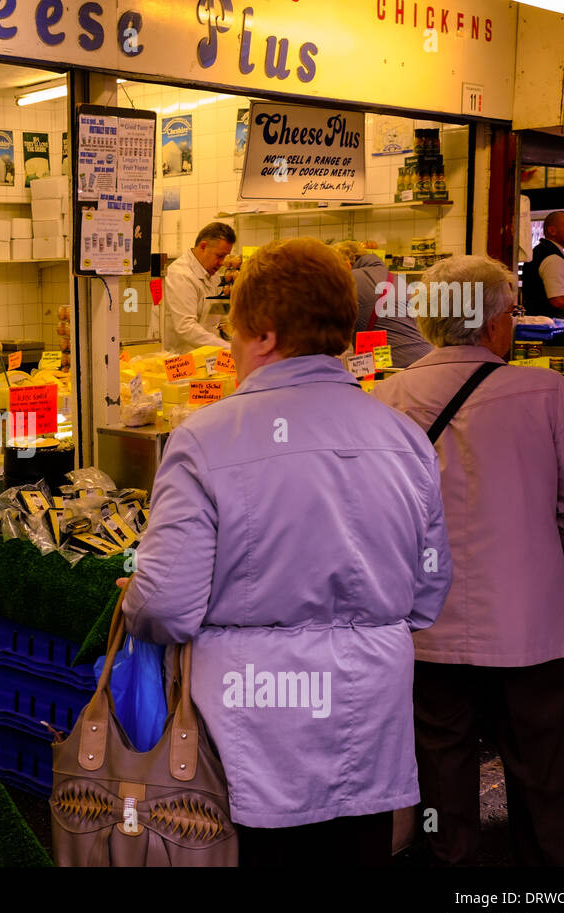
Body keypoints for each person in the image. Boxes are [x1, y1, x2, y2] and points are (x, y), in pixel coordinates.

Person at [123, 237, 452, 866]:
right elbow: (429, 590)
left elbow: (165, 606)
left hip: (252, 726)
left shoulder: (205, 438)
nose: (233, 351)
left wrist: (138, 597)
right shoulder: (403, 435)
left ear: (265, 336)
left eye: (234, 334)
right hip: (371, 711)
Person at [375, 254, 564, 866]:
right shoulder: (547, 390)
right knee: (543, 765)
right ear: (494, 323)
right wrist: (544, 546)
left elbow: (374, 518)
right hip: (529, 623)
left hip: (426, 629)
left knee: (441, 766)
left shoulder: (386, 397)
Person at [334, 239, 431, 368]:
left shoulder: (351, 280)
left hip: (393, 363)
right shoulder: (396, 279)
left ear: (346, 265)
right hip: (424, 356)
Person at [163, 222, 235, 352]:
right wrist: (228, 348)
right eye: (219, 256)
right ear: (203, 246)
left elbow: (215, 313)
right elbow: (186, 327)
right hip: (179, 358)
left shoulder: (212, 275)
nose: (222, 262)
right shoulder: (181, 275)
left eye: (225, 257)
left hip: (204, 358)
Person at [521, 211, 564, 318]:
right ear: (552, 230)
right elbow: (559, 300)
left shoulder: (540, 251)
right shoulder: (553, 257)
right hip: (551, 329)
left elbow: (544, 293)